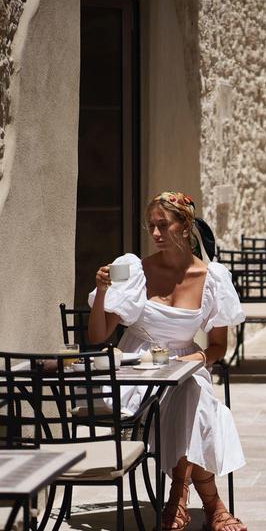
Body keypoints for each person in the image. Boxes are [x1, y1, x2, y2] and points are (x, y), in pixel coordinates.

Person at [87, 191, 247, 531]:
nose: (156, 233)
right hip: (137, 373)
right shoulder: (134, 271)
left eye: (164, 225)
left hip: (186, 365)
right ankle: (212, 505)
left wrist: (196, 358)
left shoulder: (212, 278)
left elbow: (219, 346)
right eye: (152, 226)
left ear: (185, 226)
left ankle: (178, 496)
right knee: (197, 402)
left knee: (191, 391)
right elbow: (98, 336)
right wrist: (101, 291)